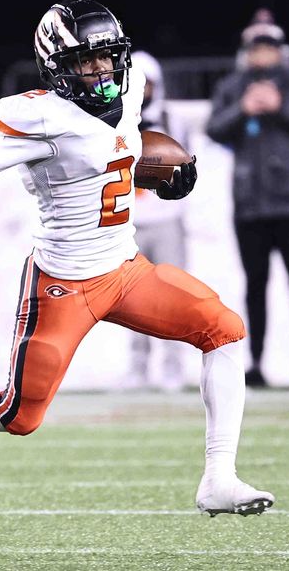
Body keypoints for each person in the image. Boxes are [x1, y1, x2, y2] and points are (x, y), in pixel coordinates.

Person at [0, 0, 274, 516]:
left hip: (125, 270)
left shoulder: (133, 85)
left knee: (223, 328)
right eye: (85, 60)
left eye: (107, 57)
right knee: (18, 414)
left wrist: (162, 168)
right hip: (63, 285)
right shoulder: (43, 119)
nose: (101, 70)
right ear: (56, 66)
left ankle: (219, 478)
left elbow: (118, 149)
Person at [205, 9, 289, 388]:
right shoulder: (233, 86)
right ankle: (257, 363)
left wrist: (281, 106)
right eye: (256, 46)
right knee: (255, 287)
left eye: (268, 46)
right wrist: (243, 109)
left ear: (280, 49)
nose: (262, 53)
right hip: (250, 206)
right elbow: (213, 128)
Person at [123, 50, 191, 392]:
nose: (143, 90)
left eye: (147, 84)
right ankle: (137, 367)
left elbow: (189, 171)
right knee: (133, 299)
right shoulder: (113, 120)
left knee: (172, 294)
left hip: (166, 220)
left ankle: (173, 367)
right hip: (128, 223)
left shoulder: (172, 119)